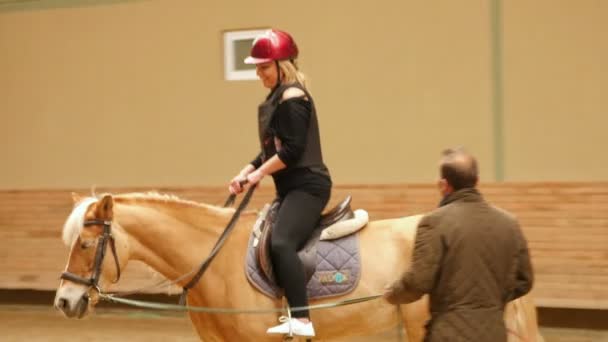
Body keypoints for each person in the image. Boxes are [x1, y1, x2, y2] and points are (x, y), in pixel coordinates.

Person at [228, 29, 331, 337]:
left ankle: (301, 318)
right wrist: (245, 172)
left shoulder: (293, 98)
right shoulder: (275, 101)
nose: (259, 73)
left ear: (282, 65)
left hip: (308, 186)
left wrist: (259, 175)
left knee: (282, 242)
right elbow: (269, 152)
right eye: (257, 68)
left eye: (264, 67)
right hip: (289, 188)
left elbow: (293, 151)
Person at [383, 147, 534, 342]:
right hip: (495, 334)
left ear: (443, 185)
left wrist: (393, 295)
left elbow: (418, 282)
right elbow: (524, 280)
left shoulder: (434, 223)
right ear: (477, 181)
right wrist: (492, 302)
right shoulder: (509, 223)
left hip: (447, 334)